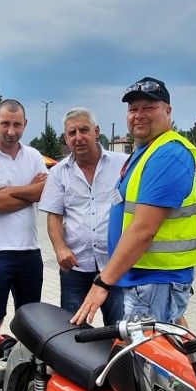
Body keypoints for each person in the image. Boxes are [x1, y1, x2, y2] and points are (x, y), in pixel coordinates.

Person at [73, 76, 196, 326]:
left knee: (147, 360)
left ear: (168, 111)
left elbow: (143, 229)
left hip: (155, 280)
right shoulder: (146, 151)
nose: (139, 115)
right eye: (133, 109)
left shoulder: (168, 154)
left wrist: (102, 281)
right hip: (147, 280)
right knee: (168, 345)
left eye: (148, 108)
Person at [0, 99, 47, 389]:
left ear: (25, 125)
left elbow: (45, 191)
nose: (11, 130)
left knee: (30, 320)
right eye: (5, 123)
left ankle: (25, 374)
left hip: (29, 251)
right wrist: (29, 191)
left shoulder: (34, 156)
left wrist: (10, 191)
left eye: (17, 124)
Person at [39, 107, 128, 324]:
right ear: (66, 138)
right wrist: (60, 248)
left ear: (97, 131)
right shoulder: (58, 172)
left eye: (84, 130)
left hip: (115, 264)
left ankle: (118, 360)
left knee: (120, 329)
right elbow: (54, 216)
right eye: (72, 133)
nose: (78, 137)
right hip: (75, 267)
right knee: (72, 330)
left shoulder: (123, 164)